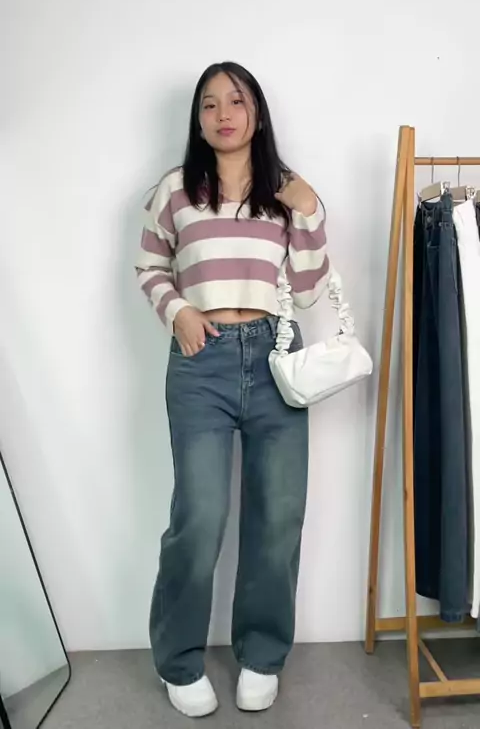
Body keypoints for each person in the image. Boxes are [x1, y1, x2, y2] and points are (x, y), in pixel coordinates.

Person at [135, 62, 330, 718]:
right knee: (199, 517)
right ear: (198, 121)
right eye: (210, 104)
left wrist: (309, 210)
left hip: (275, 358)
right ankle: (179, 661)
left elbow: (307, 292)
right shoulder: (176, 190)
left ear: (257, 114)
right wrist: (178, 313)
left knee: (278, 516)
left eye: (236, 101)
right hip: (201, 362)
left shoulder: (284, 191)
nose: (224, 114)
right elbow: (149, 264)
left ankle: (261, 655)